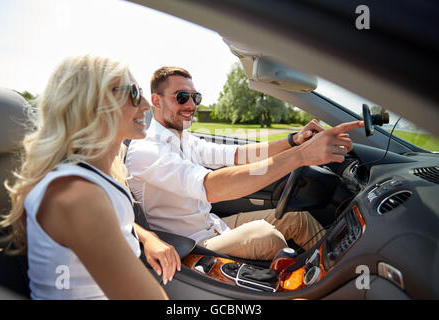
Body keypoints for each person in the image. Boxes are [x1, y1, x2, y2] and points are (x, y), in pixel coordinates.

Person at [126, 66, 364, 263]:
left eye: (195, 97)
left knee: (297, 218)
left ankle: (335, 271)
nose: (191, 105)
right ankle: (303, 286)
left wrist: (293, 141)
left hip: (212, 226)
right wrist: (300, 156)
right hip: (190, 244)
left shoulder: (183, 139)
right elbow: (210, 187)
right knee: (266, 236)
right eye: (182, 97)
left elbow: (237, 154)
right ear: (156, 101)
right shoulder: (148, 150)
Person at [0, 55, 180, 299]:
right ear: (91, 106)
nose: (146, 104)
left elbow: (104, 219)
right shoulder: (78, 195)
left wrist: (146, 237)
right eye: (133, 93)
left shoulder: (88, 178)